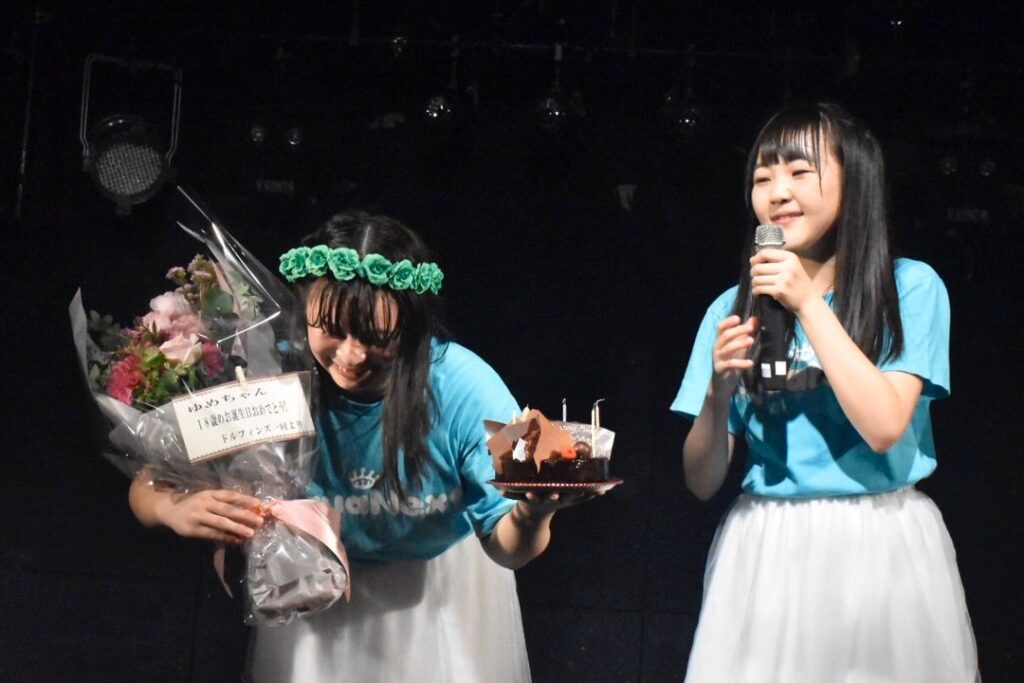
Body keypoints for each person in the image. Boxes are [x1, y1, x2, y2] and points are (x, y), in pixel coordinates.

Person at [129, 211, 586, 682]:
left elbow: (508, 549)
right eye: (331, 329)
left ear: (412, 324)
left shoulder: (469, 388)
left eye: (375, 337)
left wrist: (532, 513)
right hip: (312, 586)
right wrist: (172, 507)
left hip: (436, 590)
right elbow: (145, 486)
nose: (350, 355)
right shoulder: (267, 375)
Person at [672, 103, 979, 682]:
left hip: (881, 541)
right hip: (766, 546)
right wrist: (717, 394)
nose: (777, 192)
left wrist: (809, 305)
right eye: (762, 177)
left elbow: (885, 427)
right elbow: (702, 479)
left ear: (854, 180)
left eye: (798, 171)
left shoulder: (909, 289)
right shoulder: (730, 310)